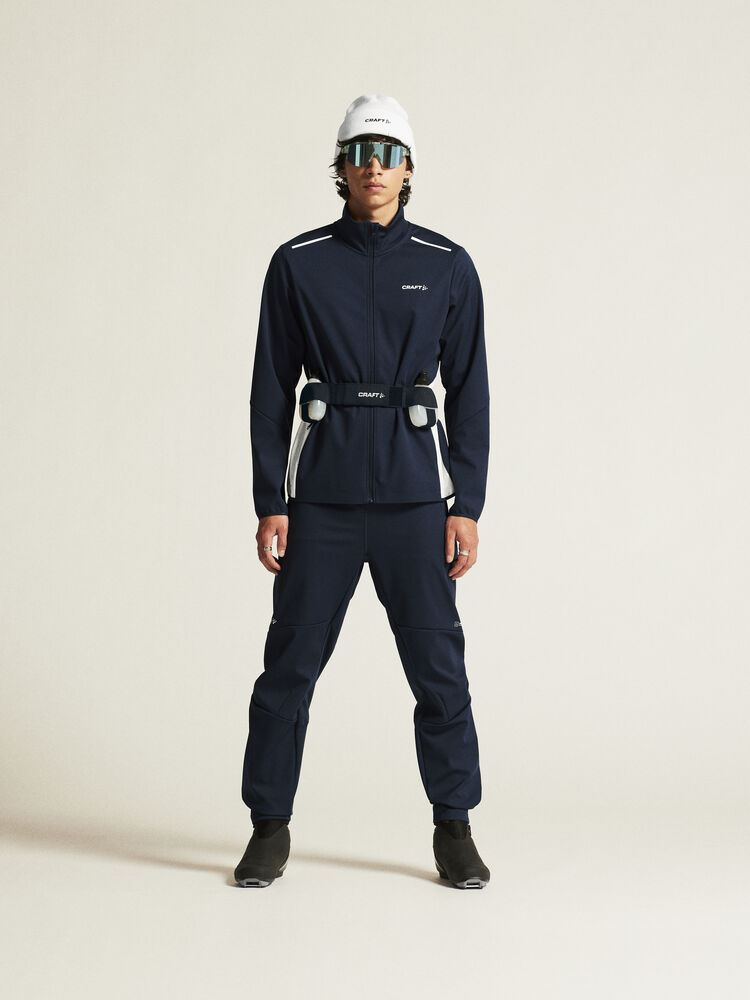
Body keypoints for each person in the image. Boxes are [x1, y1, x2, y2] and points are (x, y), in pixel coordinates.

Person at [235, 94, 491, 889]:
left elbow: (471, 392)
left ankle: (455, 828)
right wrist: (271, 501)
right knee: (289, 668)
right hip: (324, 501)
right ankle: (268, 826)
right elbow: (270, 391)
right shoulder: (299, 262)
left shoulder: (447, 264)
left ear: (408, 169)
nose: (373, 167)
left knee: (439, 670)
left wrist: (467, 504)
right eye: (359, 152)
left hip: (416, 501)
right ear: (340, 167)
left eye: (388, 154)